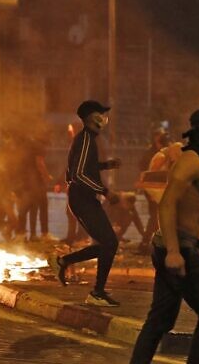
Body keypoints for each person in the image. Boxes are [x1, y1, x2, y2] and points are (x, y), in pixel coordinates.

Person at [129, 108, 199, 364]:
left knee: (160, 320)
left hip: (182, 244)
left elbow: (187, 211)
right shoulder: (192, 162)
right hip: (177, 248)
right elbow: (167, 204)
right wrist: (174, 251)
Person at [51, 100, 122, 307]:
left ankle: (63, 262)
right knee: (109, 243)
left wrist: (106, 165)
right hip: (82, 198)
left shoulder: (88, 139)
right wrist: (105, 191)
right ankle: (97, 293)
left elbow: (85, 167)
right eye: (101, 113)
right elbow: (79, 174)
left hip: (85, 198)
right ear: (92, 117)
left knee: (107, 244)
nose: (105, 118)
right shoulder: (84, 139)